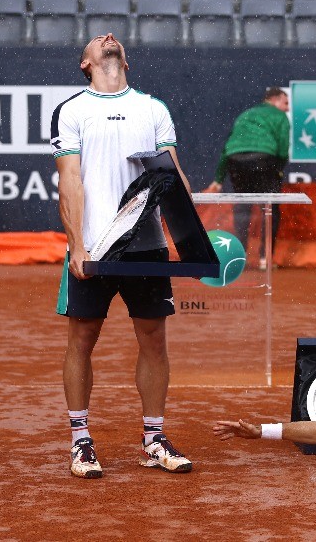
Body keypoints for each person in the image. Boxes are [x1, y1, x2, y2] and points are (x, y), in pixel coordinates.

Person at [52, 33, 194, 479]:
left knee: (154, 340)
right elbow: (69, 181)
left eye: (114, 39)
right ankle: (81, 442)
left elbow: (172, 177)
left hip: (147, 246)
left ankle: (153, 439)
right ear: (85, 63)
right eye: (99, 40)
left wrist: (191, 242)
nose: (109, 38)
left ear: (125, 62)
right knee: (83, 339)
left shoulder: (153, 108)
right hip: (95, 245)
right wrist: (78, 243)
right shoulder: (73, 110)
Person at [205, 88, 290, 270]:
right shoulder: (280, 116)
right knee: (271, 208)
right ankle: (264, 259)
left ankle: (239, 257)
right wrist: (278, 171)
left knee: (243, 205)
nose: (287, 108)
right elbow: (283, 150)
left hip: (236, 161)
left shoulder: (246, 114)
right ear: (275, 101)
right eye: (286, 103)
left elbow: (227, 149)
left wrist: (218, 179)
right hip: (264, 160)